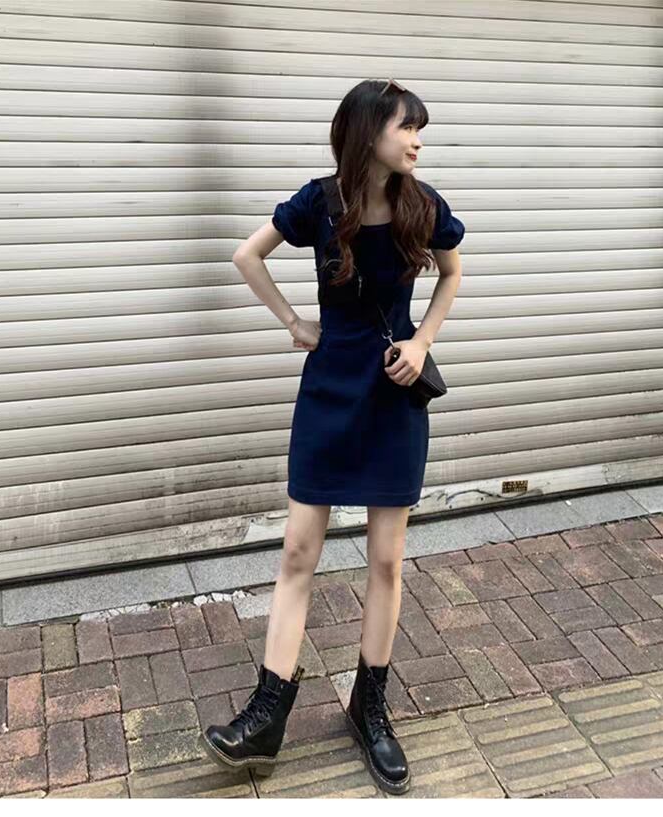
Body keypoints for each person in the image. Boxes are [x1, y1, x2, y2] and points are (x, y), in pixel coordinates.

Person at [199, 79, 465, 795]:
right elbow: (247, 255)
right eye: (408, 127)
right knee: (297, 552)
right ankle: (267, 717)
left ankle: (368, 707)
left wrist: (422, 340)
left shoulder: (423, 203)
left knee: (387, 560)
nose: (418, 141)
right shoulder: (319, 202)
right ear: (369, 131)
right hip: (328, 393)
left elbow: (452, 272)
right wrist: (294, 322)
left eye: (420, 131)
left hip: (394, 395)